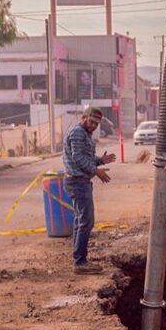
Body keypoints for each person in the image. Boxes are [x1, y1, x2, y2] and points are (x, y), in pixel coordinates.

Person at [62, 106, 115, 274]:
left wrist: (100, 160)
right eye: (92, 122)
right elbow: (78, 158)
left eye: (97, 124)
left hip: (79, 181)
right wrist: (95, 171)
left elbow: (84, 156)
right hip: (77, 182)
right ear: (84, 118)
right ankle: (80, 262)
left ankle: (79, 258)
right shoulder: (78, 132)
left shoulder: (84, 133)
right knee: (86, 221)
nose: (94, 126)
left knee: (81, 220)